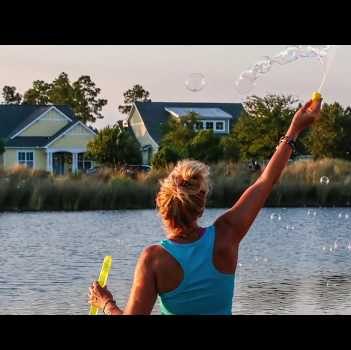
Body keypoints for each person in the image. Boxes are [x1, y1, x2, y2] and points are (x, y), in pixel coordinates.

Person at [88, 97, 322, 315]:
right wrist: (294, 130)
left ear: (161, 205)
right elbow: (265, 181)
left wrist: (106, 303)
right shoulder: (226, 235)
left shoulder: (154, 259)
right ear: (200, 208)